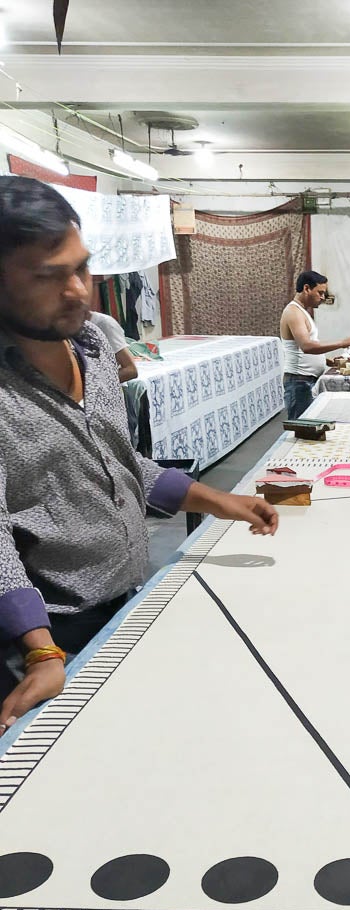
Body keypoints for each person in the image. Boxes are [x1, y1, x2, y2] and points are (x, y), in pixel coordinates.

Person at [0, 176, 279, 734]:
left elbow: (121, 461)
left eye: (81, 267)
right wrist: (40, 651)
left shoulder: (95, 346)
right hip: (50, 634)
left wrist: (215, 500)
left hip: (126, 595)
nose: (79, 291)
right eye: (48, 277)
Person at [280, 270, 350, 420]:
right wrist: (342, 343)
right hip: (299, 381)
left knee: (310, 425)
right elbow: (307, 346)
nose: (322, 297)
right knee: (301, 429)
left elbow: (306, 347)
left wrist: (327, 361)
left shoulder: (301, 312)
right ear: (306, 288)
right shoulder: (293, 312)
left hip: (306, 380)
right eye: (320, 293)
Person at [89, 310, 139, 383]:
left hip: (104, 391)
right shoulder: (68, 329)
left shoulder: (104, 324)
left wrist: (93, 385)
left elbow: (131, 370)